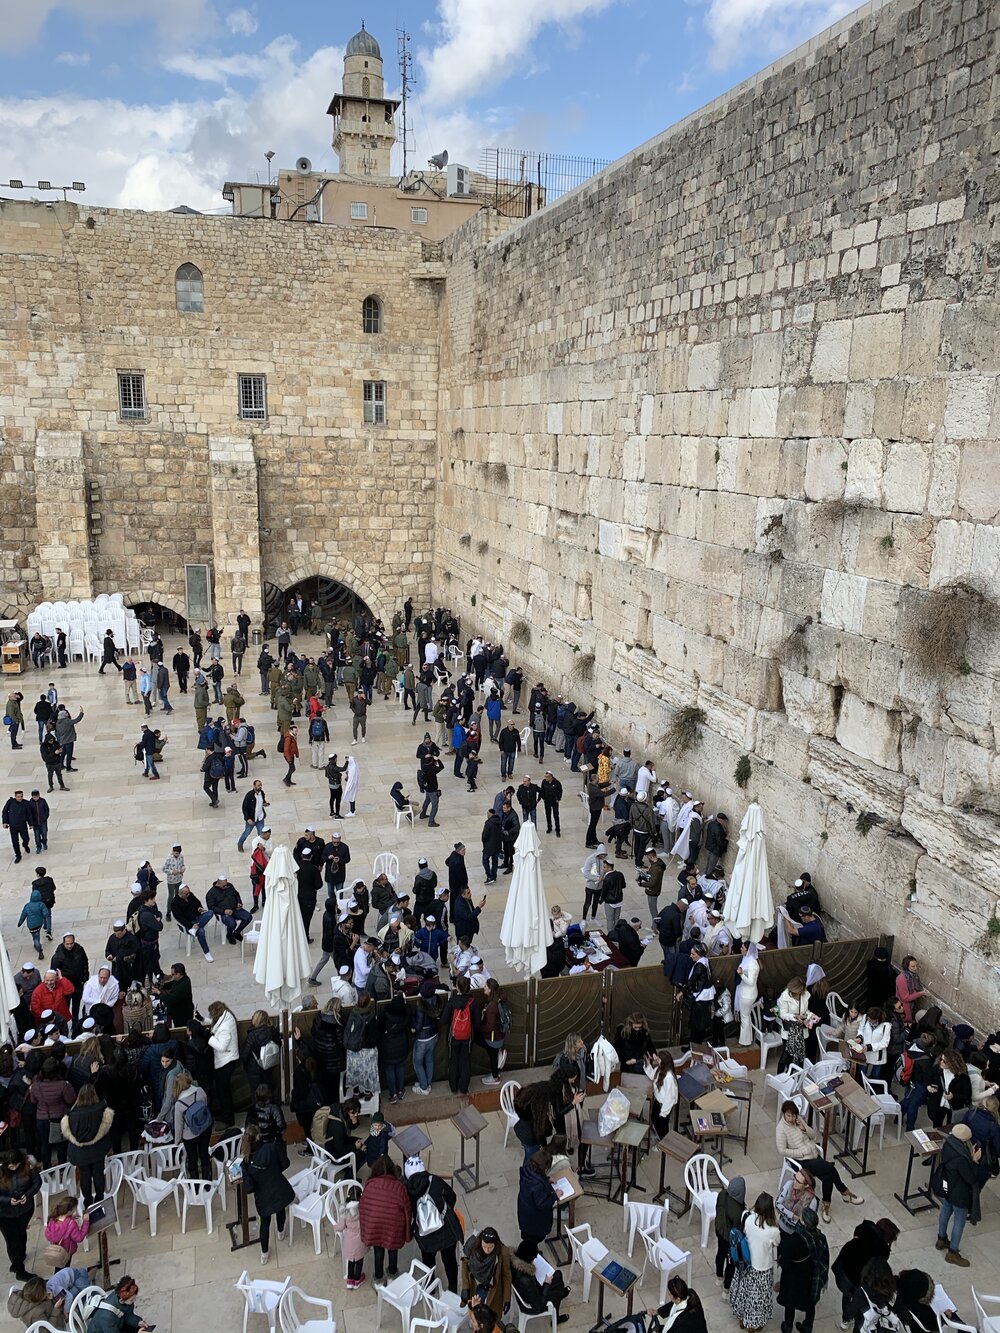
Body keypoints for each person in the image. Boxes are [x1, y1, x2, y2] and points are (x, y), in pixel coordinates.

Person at [775, 1101, 863, 1220]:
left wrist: (804, 1128)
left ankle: (827, 1205)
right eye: (788, 1115)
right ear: (784, 1114)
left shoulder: (798, 1120)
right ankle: (844, 1192)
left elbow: (814, 1136)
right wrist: (800, 1153)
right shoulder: (781, 1129)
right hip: (801, 1161)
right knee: (830, 1168)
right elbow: (782, 1150)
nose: (791, 1118)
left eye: (793, 1115)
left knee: (828, 1176)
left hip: (813, 1154)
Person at [403, 1156, 463, 1290]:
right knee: (450, 1261)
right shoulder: (435, 1181)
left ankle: (430, 1287)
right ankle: (452, 1288)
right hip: (446, 1231)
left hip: (425, 1236)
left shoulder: (406, 1190)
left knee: (428, 1262)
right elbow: (452, 1197)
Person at [241, 1123, 295, 1266]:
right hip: (279, 1188)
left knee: (265, 1224)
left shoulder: (246, 1163)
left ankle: (264, 1254)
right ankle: (281, 1232)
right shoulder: (272, 1147)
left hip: (263, 1197)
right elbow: (285, 1164)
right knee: (280, 1209)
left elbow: (249, 1188)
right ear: (258, 1136)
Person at [728, 1191, 780, 1332]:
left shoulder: (747, 1217)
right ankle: (753, 1324)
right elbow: (776, 1243)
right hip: (762, 1268)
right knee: (757, 1299)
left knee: (744, 1292)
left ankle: (742, 1319)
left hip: (745, 1263)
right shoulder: (773, 1230)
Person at [831, 1219, 898, 1325]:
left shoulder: (864, 1228)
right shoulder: (883, 1251)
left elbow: (855, 1236)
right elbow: (877, 1267)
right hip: (858, 1278)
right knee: (859, 1300)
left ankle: (846, 1320)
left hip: (844, 1268)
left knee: (847, 1296)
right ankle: (852, 1318)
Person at [933, 1122, 981, 1266]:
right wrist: (974, 1161)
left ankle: (941, 1239)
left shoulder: (948, 1144)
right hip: (960, 1193)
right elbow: (971, 1178)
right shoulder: (962, 1158)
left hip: (949, 1186)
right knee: (959, 1221)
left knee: (946, 1211)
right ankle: (953, 1252)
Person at [359, 1156, 411, 1283]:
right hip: (393, 1226)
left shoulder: (370, 1184)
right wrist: (408, 1232)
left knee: (378, 1251)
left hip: (375, 1225)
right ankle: (392, 1274)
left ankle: (378, 1279)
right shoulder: (399, 1187)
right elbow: (407, 1209)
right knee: (393, 1250)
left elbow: (363, 1206)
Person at [61, 1083, 113, 1208]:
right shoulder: (102, 1110)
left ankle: (87, 1201)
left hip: (80, 1152)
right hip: (98, 1149)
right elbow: (106, 1128)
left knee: (84, 1175)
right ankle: (100, 1198)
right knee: (98, 1173)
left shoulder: (71, 1114)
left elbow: (66, 1132)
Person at [777, 1211, 828, 1333]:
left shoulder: (794, 1240)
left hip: (794, 1278)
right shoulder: (821, 1237)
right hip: (811, 1278)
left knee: (790, 1303)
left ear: (803, 1223)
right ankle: (807, 1326)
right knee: (810, 1304)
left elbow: (785, 1263)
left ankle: (788, 1326)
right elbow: (824, 1258)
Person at [0, 1148, 42, 1280]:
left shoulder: (28, 1168)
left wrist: (28, 1195)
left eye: (15, 1165)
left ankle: (18, 1259)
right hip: (5, 1213)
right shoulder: (1, 1172)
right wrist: (8, 1200)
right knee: (12, 1240)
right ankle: (19, 1269)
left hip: (24, 1210)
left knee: (21, 1234)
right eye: (10, 1166)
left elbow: (37, 1183)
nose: (13, 1168)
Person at [511, 1240, 571, 1324]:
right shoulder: (527, 1280)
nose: (535, 1258)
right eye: (533, 1258)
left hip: (528, 1294)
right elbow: (539, 1305)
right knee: (558, 1286)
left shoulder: (515, 1264)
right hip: (532, 1305)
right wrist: (546, 1284)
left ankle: (560, 1293)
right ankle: (556, 1313)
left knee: (557, 1274)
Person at [461, 1227, 512, 1321]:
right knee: (475, 1310)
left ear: (495, 1244)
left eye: (490, 1247)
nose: (487, 1250)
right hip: (475, 1283)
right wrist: (465, 1286)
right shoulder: (472, 1244)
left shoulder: (502, 1252)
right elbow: (465, 1263)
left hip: (491, 1286)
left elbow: (506, 1275)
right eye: (484, 1246)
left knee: (489, 1315)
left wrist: (507, 1298)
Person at [172, 1071, 212, 1180]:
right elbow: (205, 1104)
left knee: (192, 1159)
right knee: (204, 1154)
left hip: (190, 1135)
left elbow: (179, 1125)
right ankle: (207, 1181)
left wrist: (177, 1141)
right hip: (205, 1128)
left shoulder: (179, 1104)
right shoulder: (200, 1091)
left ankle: (195, 1186)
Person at [517, 1147, 557, 1250]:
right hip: (535, 1220)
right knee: (533, 1240)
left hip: (525, 1213)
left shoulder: (527, 1170)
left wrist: (546, 1180)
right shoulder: (538, 1186)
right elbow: (543, 1204)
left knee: (527, 1237)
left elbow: (536, 1178)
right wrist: (555, 1195)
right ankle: (532, 1253)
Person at [207, 1000, 240, 1126]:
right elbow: (214, 1024)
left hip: (227, 1061)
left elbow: (221, 1046)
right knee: (222, 1090)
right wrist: (201, 1018)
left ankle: (228, 1119)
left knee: (223, 1091)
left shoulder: (226, 1028)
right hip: (227, 1059)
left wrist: (208, 1038)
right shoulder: (226, 1017)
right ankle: (226, 1114)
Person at [444, 976, 478, 1094]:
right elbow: (477, 1022)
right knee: (465, 1061)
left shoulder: (452, 1001)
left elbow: (443, 1019)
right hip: (467, 1036)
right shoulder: (473, 1002)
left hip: (454, 1036)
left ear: (457, 987)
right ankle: (463, 1088)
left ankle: (453, 1087)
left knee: (453, 1060)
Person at [714, 1175, 747, 1291]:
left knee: (720, 1253)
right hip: (729, 1238)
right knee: (731, 1263)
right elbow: (737, 1229)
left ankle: (718, 1276)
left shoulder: (722, 1194)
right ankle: (726, 1288)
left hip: (719, 1230)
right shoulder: (738, 1210)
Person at [775, 1165, 817, 1233]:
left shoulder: (812, 1200)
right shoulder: (789, 1184)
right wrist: (792, 1216)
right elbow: (777, 1204)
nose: (794, 1182)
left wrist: (784, 1211)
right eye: (795, 1177)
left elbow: (807, 1222)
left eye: (798, 1181)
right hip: (781, 1224)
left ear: (806, 1185)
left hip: (796, 1233)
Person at [648, 1049, 678, 1139]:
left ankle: (663, 1144)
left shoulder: (669, 1077)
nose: (656, 1059)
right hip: (658, 1101)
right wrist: (647, 1065)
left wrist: (663, 1113)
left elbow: (670, 1097)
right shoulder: (659, 1068)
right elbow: (652, 1075)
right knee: (654, 1118)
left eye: (659, 1058)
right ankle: (660, 1137)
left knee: (663, 1126)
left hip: (664, 1105)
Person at [736, 942, 760, 1047]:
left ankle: (743, 1042)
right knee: (746, 1016)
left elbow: (751, 982)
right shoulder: (746, 959)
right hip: (746, 992)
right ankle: (748, 1038)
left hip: (748, 994)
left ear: (748, 950)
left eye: (743, 947)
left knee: (744, 1017)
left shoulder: (752, 963)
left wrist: (741, 974)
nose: (741, 949)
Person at [895, 956, 926, 1025]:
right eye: (913, 966)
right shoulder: (902, 979)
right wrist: (921, 993)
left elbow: (916, 986)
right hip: (905, 1007)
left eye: (916, 966)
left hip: (912, 1004)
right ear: (906, 966)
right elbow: (905, 998)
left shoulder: (913, 975)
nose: (916, 968)